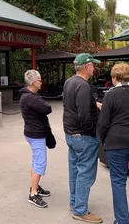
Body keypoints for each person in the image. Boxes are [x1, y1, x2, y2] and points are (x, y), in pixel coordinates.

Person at [63, 53, 102, 223]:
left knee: (75, 170)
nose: (94, 67)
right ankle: (80, 210)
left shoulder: (69, 82)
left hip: (70, 133)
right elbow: (84, 115)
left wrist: (94, 104)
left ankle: (74, 202)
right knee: (86, 173)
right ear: (86, 67)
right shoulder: (84, 87)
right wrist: (92, 132)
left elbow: (70, 104)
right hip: (83, 136)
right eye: (93, 65)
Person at [97, 63, 129, 224]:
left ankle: (123, 220)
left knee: (118, 182)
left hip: (116, 142)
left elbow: (103, 123)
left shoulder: (111, 95)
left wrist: (103, 141)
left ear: (115, 77)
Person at [19, 70, 52, 208]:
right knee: (40, 163)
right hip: (35, 134)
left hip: (33, 132)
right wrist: (45, 105)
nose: (41, 82)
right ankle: (33, 194)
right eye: (39, 80)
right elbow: (47, 109)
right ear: (33, 83)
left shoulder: (30, 95)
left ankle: (35, 186)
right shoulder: (31, 98)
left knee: (35, 161)